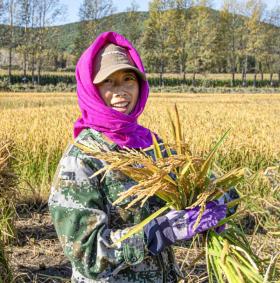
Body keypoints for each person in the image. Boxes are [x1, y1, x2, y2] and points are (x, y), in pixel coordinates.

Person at [48, 31, 228, 283]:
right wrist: (158, 232)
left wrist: (217, 203)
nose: (120, 90)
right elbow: (87, 255)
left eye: (128, 79)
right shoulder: (81, 158)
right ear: (92, 88)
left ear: (140, 85)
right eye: (108, 82)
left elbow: (199, 185)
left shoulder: (153, 145)